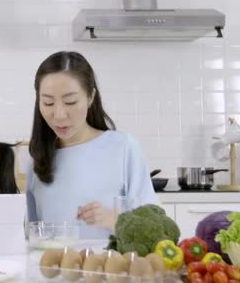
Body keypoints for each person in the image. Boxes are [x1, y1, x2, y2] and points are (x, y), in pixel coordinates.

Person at [26, 51, 157, 239]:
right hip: (52, 267)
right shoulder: (36, 157)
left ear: (90, 97)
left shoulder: (123, 147)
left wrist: (115, 220)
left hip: (111, 266)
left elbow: (154, 228)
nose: (59, 114)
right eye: (48, 102)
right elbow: (31, 233)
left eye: (70, 102)